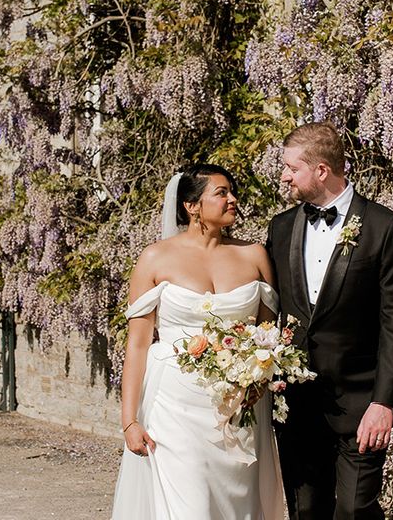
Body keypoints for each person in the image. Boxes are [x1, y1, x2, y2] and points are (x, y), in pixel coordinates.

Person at [110, 163, 285, 520]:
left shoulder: (254, 255)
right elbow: (138, 344)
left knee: (239, 505)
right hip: (174, 406)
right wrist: (129, 420)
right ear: (192, 206)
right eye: (222, 193)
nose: (233, 199)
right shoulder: (155, 257)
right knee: (189, 506)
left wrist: (257, 380)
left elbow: (268, 336)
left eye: (232, 192)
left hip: (239, 406)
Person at [266, 123, 393, 520]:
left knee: (355, 510)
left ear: (320, 171)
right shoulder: (280, 229)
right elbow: (270, 312)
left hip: (361, 403)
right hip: (297, 404)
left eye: (291, 168)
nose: (284, 176)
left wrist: (384, 402)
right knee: (306, 511)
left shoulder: (384, 227)